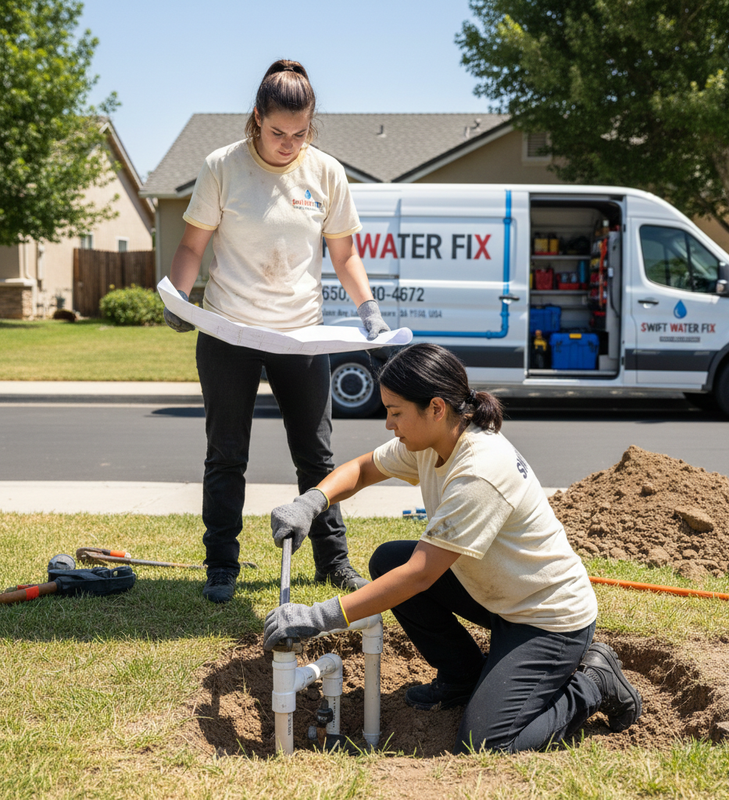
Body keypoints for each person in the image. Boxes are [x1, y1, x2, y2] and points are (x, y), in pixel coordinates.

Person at [263, 343, 642, 753]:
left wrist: (320, 617)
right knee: (389, 559)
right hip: (501, 595)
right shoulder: (431, 441)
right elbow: (362, 468)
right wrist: (313, 501)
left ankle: (593, 683)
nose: (388, 424)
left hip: (548, 619)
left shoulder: (479, 470)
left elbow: (422, 574)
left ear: (436, 407)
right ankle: (462, 678)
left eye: (395, 412)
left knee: (485, 743)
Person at [164, 59, 389, 603]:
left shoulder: (326, 173)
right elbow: (193, 245)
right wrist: (178, 296)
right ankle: (221, 565)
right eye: (277, 132)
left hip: (300, 335)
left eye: (301, 133)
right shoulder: (222, 166)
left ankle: (333, 561)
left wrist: (369, 310)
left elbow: (345, 253)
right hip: (227, 331)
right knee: (226, 454)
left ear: (312, 125)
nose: (289, 144)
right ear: (257, 119)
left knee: (316, 455)